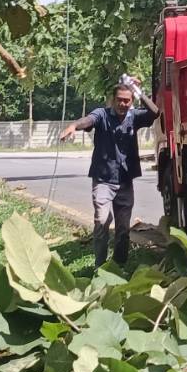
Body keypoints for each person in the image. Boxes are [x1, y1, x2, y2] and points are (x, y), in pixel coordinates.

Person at [59, 75, 159, 267]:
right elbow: (88, 120)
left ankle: (118, 267)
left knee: (123, 229)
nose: (122, 104)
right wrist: (74, 126)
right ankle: (100, 266)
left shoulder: (134, 117)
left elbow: (155, 112)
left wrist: (137, 90)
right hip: (103, 180)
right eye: (119, 100)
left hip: (125, 181)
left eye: (127, 101)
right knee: (102, 221)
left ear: (131, 101)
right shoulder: (102, 115)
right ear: (113, 100)